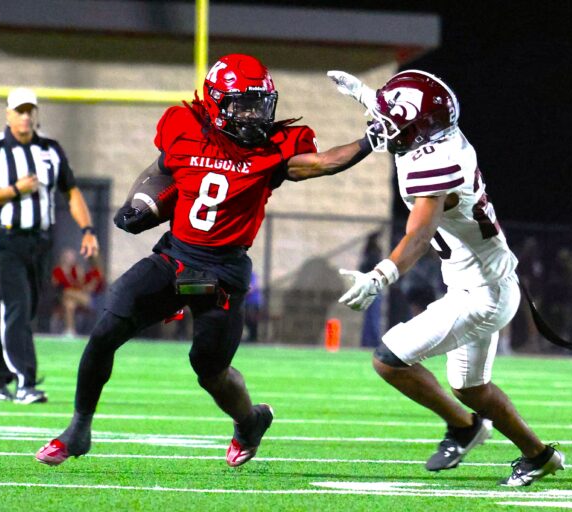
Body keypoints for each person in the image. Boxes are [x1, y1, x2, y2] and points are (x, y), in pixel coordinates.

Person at [35, 54, 373, 467]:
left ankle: (249, 421)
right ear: (215, 103)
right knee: (107, 327)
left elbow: (322, 162)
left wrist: (372, 138)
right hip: (175, 260)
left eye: (259, 103)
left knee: (210, 369)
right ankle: (79, 428)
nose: (253, 114)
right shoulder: (185, 126)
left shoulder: (272, 150)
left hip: (222, 274)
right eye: (242, 104)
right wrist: (142, 200)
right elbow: (162, 168)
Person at [330, 69, 565, 486]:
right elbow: (406, 119)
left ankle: (464, 427)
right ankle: (539, 455)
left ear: (419, 127)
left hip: (481, 294)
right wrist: (365, 94)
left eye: (392, 119)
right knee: (471, 388)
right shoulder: (436, 137)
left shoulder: (438, 162)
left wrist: (381, 276)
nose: (381, 127)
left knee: (389, 358)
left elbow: (419, 234)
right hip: (484, 282)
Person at [0, 87, 99, 404]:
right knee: (17, 305)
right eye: (20, 110)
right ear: (8, 114)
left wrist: (87, 229)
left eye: (30, 110)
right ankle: (26, 381)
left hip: (40, 240)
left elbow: (71, 191)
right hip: (6, 237)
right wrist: (15, 189)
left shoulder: (51, 149)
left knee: (26, 310)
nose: (25, 116)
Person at [51, 247, 92, 337]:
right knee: (69, 305)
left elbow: (82, 284)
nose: (71, 259)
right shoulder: (58, 270)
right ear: (64, 258)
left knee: (67, 292)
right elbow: (55, 284)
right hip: (64, 298)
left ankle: (70, 330)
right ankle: (70, 331)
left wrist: (73, 274)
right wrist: (64, 273)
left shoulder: (77, 269)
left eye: (72, 257)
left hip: (80, 296)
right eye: (69, 257)